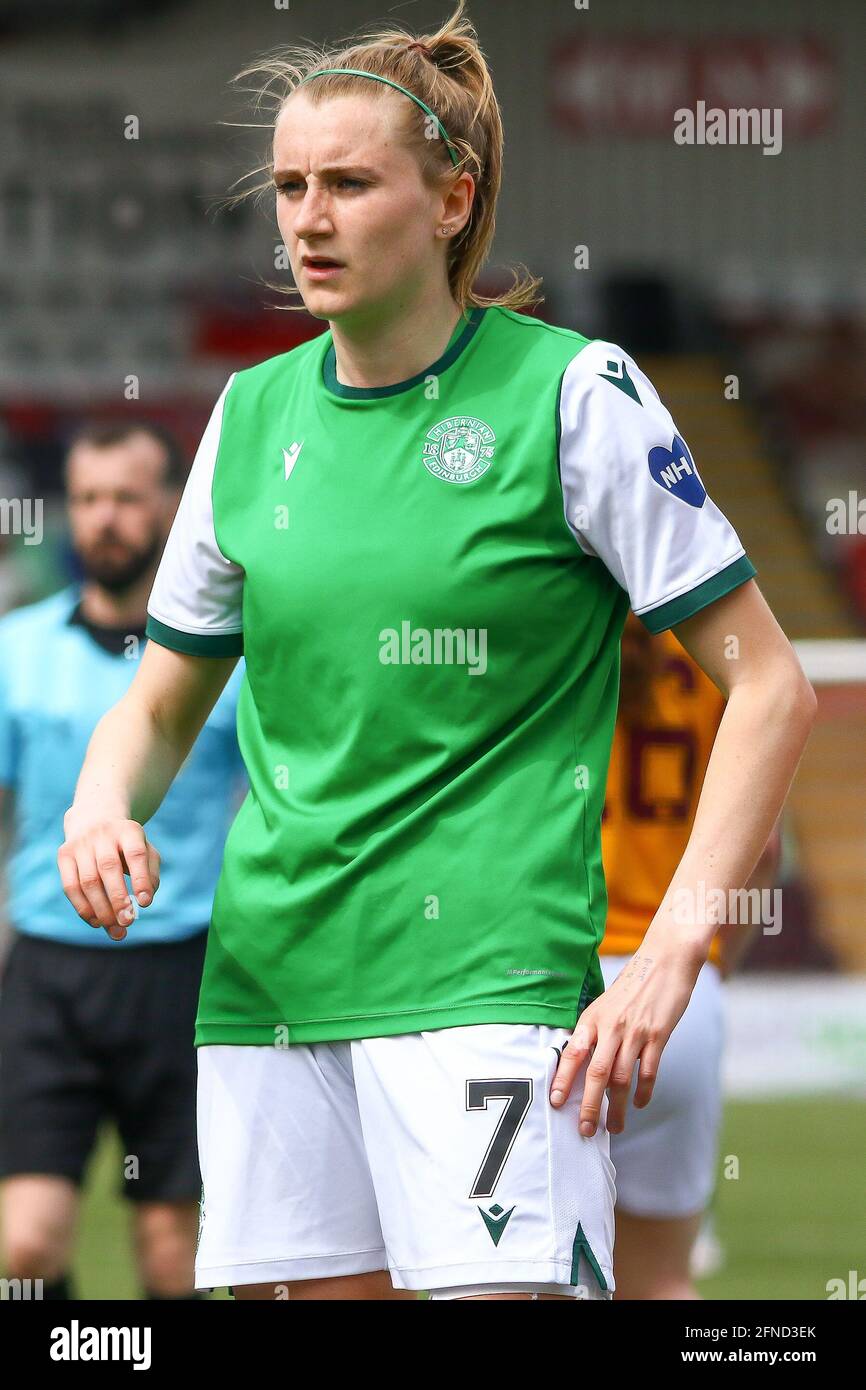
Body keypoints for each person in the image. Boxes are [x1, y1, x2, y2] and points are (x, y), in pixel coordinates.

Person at [56, 2, 815, 1302]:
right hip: (270, 988)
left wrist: (674, 951)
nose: (307, 217)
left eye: (349, 183)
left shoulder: (575, 396)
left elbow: (771, 685)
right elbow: (165, 694)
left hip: (488, 982)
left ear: (452, 199)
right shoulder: (248, 415)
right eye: (290, 186)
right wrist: (96, 801)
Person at [0, 421, 246, 1300]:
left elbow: (284, 803)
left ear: (171, 508)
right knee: (24, 1247)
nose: (105, 519)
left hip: (183, 971)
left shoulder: (223, 666)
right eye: (89, 499)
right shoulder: (15, 649)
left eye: (128, 498)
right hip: (46, 972)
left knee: (172, 1257)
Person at [600, 616, 781, 1298]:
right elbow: (762, 852)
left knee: (518, 1277)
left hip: (552, 986)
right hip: (675, 999)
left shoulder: (545, 625)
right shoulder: (718, 653)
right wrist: (710, 967)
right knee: (662, 1283)